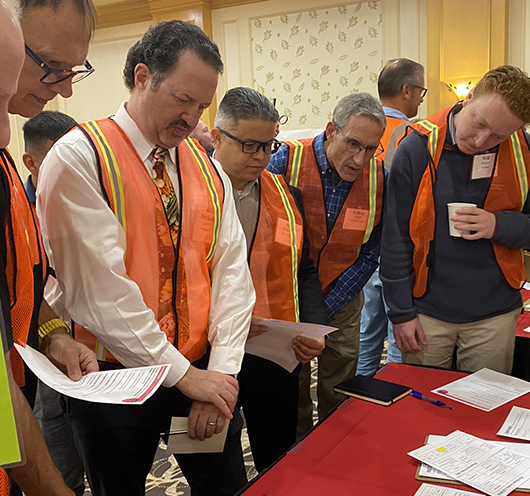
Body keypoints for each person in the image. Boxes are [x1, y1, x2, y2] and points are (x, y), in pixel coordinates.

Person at [37, 21, 255, 495]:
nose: (191, 118)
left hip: (199, 369)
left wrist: (218, 372)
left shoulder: (207, 167)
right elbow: (99, 292)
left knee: (224, 486)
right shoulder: (80, 157)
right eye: (183, 100)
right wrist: (186, 376)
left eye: (201, 106)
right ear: (142, 77)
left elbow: (231, 272)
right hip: (111, 379)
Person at [0, 0, 97, 495]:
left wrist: (51, 333)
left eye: (73, 70)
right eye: (51, 66)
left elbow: (16, 279)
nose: (65, 88)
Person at [381, 65, 530, 374]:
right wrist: (401, 313)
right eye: (480, 123)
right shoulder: (417, 147)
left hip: (495, 313)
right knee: (422, 398)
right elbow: (396, 237)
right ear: (470, 97)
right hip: (426, 311)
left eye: (498, 136)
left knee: (484, 400)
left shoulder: (527, 152)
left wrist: (497, 225)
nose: (480, 141)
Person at [211, 86, 327, 471]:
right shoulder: (190, 192)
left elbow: (303, 269)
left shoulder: (286, 195)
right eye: (249, 146)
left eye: (269, 146)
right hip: (208, 355)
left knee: (277, 458)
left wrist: (313, 327)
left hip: (273, 351)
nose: (261, 157)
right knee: (215, 465)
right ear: (217, 137)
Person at [268, 92, 386, 435]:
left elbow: (370, 253)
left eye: (370, 149)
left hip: (343, 299)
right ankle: (299, 452)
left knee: (340, 387)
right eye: (353, 144)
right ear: (332, 130)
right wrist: (305, 310)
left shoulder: (381, 178)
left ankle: (335, 447)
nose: (360, 159)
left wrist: (326, 308)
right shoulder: (286, 161)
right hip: (288, 301)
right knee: (293, 388)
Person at [20, 110, 86, 495]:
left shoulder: (90, 197)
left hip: (91, 340)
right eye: (59, 156)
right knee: (57, 443)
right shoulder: (16, 208)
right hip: (40, 343)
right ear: (31, 162)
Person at [357, 58, 425, 377]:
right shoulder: (414, 136)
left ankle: (358, 395)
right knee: (400, 336)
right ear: (406, 90)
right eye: (421, 90)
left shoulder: (361, 129)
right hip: (399, 251)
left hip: (361, 250)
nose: (421, 98)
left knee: (366, 334)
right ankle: (393, 394)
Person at [21, 111, 78, 204]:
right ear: (31, 164)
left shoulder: (95, 196)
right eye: (60, 159)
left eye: (75, 157)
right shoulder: (12, 208)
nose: (74, 168)